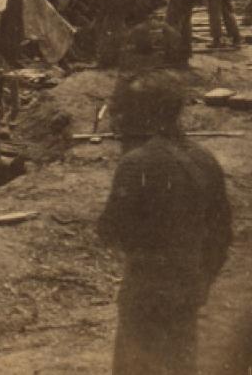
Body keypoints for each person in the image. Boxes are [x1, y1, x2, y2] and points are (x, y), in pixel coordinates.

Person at [97, 71, 232, 375]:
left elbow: (110, 230)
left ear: (144, 114)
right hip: (188, 285)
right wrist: (202, 280)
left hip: (146, 289)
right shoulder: (205, 159)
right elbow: (222, 234)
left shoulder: (136, 163)